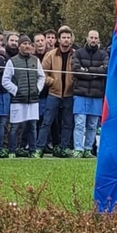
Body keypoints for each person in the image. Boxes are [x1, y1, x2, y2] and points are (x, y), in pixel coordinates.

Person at [2, 35, 45, 157]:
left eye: (28, 44)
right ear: (20, 46)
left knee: (32, 126)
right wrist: (16, 90)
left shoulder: (35, 60)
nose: (27, 46)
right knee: (15, 127)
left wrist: (37, 89)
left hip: (33, 99)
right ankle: (12, 151)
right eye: (24, 44)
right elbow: (5, 80)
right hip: (18, 100)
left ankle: (32, 150)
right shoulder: (12, 61)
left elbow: (42, 77)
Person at [38, 27, 77, 156]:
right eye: (63, 37)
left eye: (68, 37)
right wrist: (51, 82)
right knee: (47, 121)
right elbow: (43, 72)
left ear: (71, 39)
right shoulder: (51, 54)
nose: (66, 40)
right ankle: (39, 147)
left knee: (67, 123)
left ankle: (63, 147)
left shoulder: (75, 55)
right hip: (53, 93)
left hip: (69, 94)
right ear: (59, 40)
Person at [71, 29, 108, 156]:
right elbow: (76, 70)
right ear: (87, 38)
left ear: (98, 40)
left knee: (92, 125)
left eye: (95, 38)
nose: (93, 40)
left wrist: (87, 70)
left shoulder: (103, 55)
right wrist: (95, 74)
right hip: (80, 93)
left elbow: (105, 70)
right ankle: (78, 149)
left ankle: (87, 149)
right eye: (91, 37)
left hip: (96, 95)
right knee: (80, 123)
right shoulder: (78, 53)